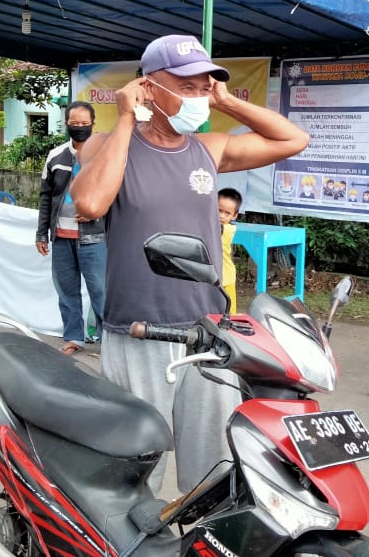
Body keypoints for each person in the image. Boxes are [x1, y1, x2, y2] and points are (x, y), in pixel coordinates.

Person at [70, 34, 308, 494]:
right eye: (187, 86)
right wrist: (123, 119)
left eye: (204, 87)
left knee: (212, 472)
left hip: (207, 331)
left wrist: (227, 101)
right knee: (135, 469)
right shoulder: (108, 142)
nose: (198, 96)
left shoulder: (209, 148)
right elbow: (91, 203)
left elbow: (293, 139)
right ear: (148, 88)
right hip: (139, 330)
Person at [36, 101, 107, 355]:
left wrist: (96, 211)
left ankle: (108, 341)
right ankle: (74, 338)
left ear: (93, 125)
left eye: (84, 124)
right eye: (74, 124)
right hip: (61, 238)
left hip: (95, 238)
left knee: (100, 291)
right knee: (67, 290)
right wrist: (42, 232)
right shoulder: (56, 156)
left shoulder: (104, 155)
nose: (79, 128)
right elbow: (46, 197)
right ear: (66, 124)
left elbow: (115, 195)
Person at [218, 187, 242, 313]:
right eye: (218, 210)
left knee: (230, 313)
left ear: (235, 215)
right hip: (216, 275)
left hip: (226, 277)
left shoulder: (228, 229)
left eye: (227, 213)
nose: (221, 216)